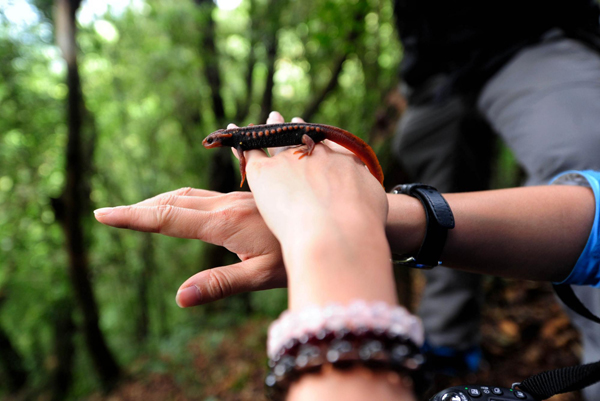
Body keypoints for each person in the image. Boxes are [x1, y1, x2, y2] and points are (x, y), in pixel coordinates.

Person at [94, 112, 600, 400]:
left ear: (229, 142)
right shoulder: (245, 142)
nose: (213, 143)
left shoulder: (250, 143)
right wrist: (387, 220)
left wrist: (330, 232)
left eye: (216, 142)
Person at [391, 0, 600, 389]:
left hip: (535, 34)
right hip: (434, 73)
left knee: (586, 170)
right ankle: (445, 346)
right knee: (438, 197)